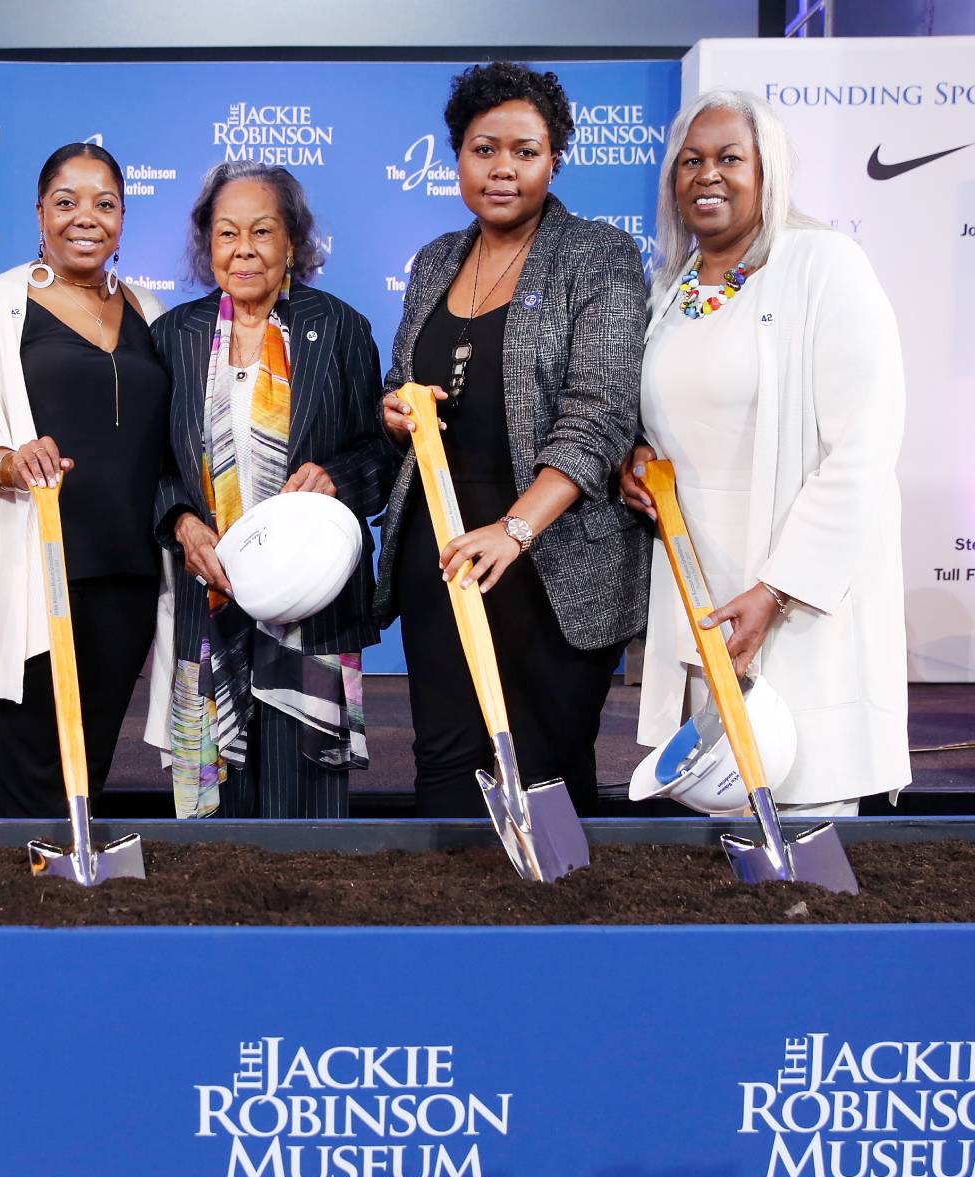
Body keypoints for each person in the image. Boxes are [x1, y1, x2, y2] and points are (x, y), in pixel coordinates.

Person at [621, 89, 909, 815]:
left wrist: (778, 590)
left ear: (768, 170)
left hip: (796, 600)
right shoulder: (674, 287)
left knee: (804, 817)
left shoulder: (824, 264)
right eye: (690, 160)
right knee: (717, 832)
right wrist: (640, 464)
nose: (706, 175)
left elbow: (863, 449)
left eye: (728, 158)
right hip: (701, 595)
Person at [375, 61, 649, 818]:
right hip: (445, 552)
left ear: (555, 158)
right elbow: (403, 383)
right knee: (445, 767)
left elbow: (600, 416)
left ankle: (551, 931)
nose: (502, 169)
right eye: (482, 148)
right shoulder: (435, 260)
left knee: (544, 773)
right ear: (457, 156)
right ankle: (449, 934)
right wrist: (398, 413)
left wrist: (517, 527)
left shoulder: (598, 255)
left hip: (549, 557)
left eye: (524, 151)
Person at [0, 143, 169, 818]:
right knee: (29, 776)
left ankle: (76, 901)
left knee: (86, 767)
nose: (86, 218)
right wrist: (1, 460)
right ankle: (31, 908)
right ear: (39, 213)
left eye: (105, 203)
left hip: (124, 577)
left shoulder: (152, 310)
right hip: (18, 570)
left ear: (123, 218)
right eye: (67, 202)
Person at [151, 162, 392, 819]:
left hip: (310, 610)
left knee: (307, 814)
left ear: (294, 243)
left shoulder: (341, 329)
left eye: (262, 231)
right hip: (210, 600)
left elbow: (383, 452)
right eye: (227, 234)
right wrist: (179, 520)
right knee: (214, 820)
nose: (244, 249)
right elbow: (150, 465)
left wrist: (337, 479)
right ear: (209, 246)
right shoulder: (174, 337)